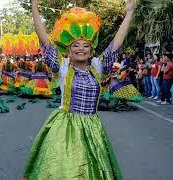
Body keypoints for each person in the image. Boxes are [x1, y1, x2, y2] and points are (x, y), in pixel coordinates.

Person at [22, 0, 135, 179]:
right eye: (76, 45)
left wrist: (129, 13)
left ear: (91, 51)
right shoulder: (62, 66)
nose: (81, 49)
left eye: (86, 46)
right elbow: (43, 38)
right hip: (64, 129)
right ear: (69, 49)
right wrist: (34, 5)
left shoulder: (97, 66)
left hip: (92, 129)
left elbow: (116, 44)